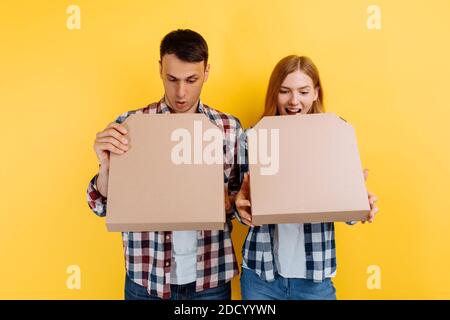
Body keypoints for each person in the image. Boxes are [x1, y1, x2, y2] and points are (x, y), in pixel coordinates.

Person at [86, 29, 242, 300]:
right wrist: (105, 166)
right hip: (147, 278)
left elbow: (243, 204)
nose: (181, 92)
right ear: (160, 70)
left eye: (191, 79)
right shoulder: (131, 125)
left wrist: (227, 202)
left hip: (209, 279)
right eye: (172, 79)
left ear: (207, 72)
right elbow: (101, 206)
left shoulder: (228, 128)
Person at [235, 55, 379, 300]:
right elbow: (241, 207)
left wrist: (360, 204)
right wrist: (240, 207)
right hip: (261, 276)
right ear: (274, 94)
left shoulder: (334, 136)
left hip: (314, 278)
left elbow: (346, 208)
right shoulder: (253, 138)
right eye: (284, 91)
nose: (294, 101)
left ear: (316, 94)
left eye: (303, 91)